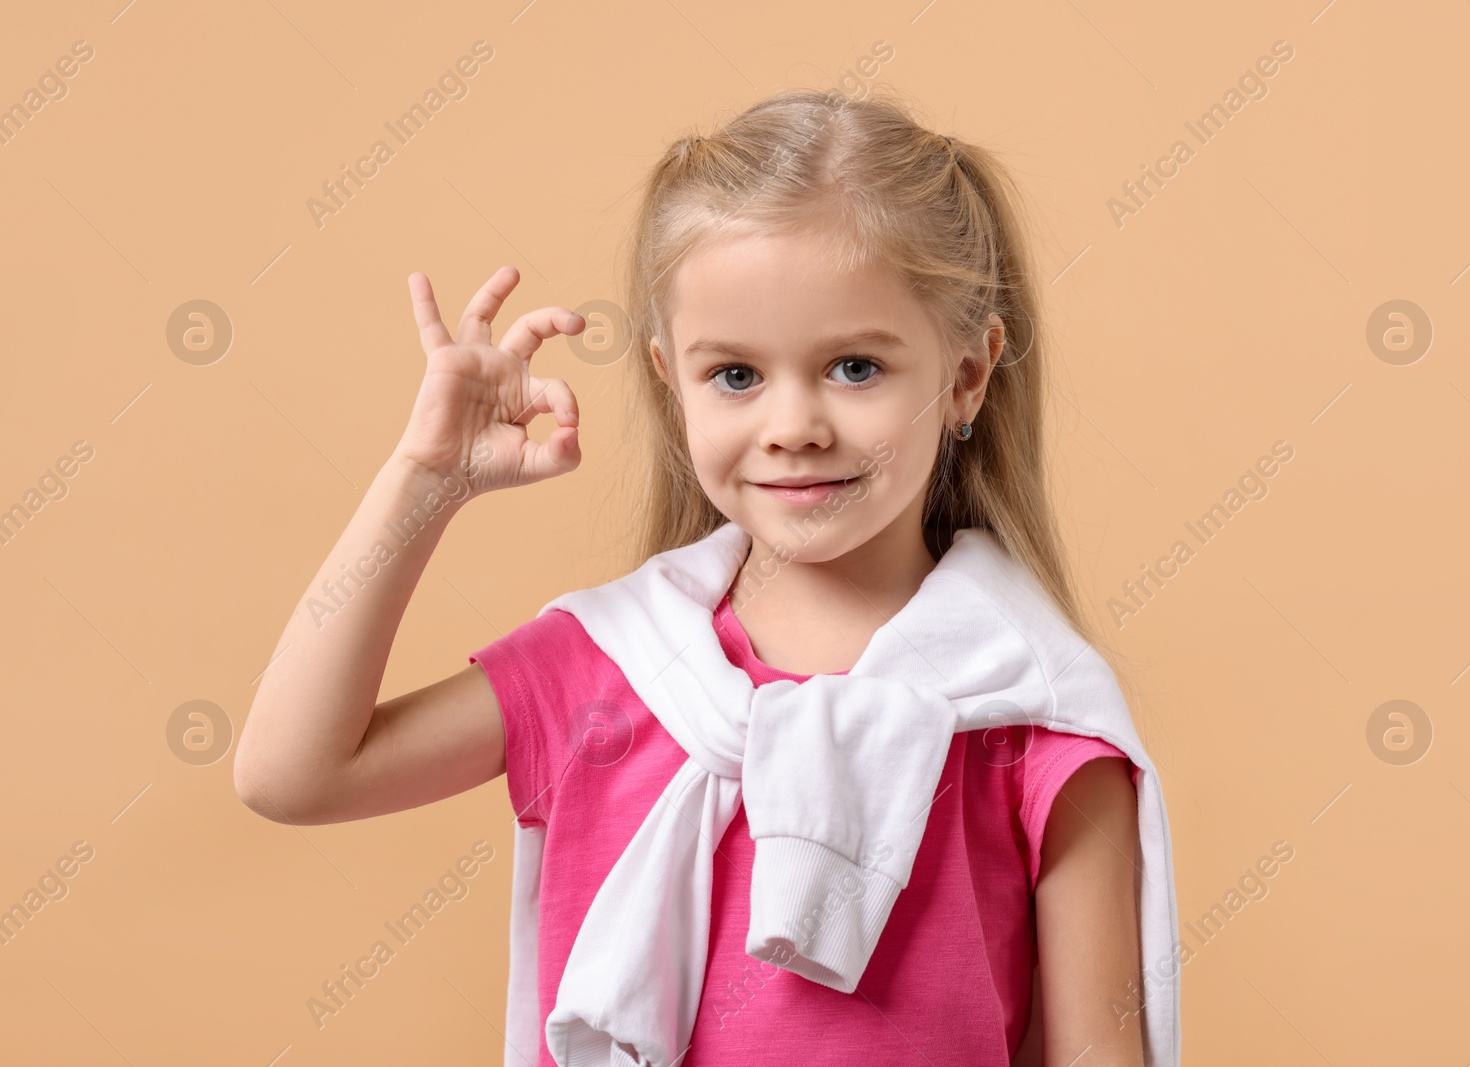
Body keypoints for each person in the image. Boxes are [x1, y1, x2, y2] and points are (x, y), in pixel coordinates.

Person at [234, 87, 1174, 1067]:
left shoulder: (1036, 714)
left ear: (967, 375)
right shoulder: (611, 666)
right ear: (667, 378)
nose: (793, 424)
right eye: (734, 375)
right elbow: (292, 773)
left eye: (855, 366)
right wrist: (422, 482)